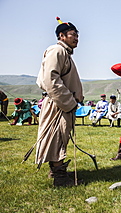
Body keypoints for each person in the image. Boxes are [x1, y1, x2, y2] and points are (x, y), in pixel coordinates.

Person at [34, 17, 83, 187]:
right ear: (61, 36)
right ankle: (60, 178)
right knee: (55, 138)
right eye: (72, 35)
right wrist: (69, 101)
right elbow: (51, 79)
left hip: (62, 104)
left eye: (77, 35)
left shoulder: (65, 53)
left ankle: (55, 170)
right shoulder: (57, 51)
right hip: (58, 103)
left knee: (59, 137)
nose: (76, 38)